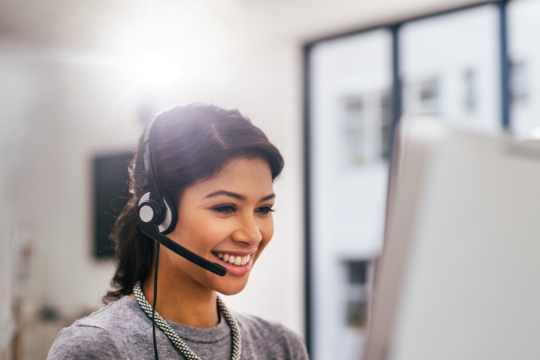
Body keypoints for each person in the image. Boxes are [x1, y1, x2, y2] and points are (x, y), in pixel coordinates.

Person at [47, 104, 309, 359]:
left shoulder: (282, 346)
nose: (252, 235)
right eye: (226, 207)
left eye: (264, 209)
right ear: (158, 212)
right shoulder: (96, 348)